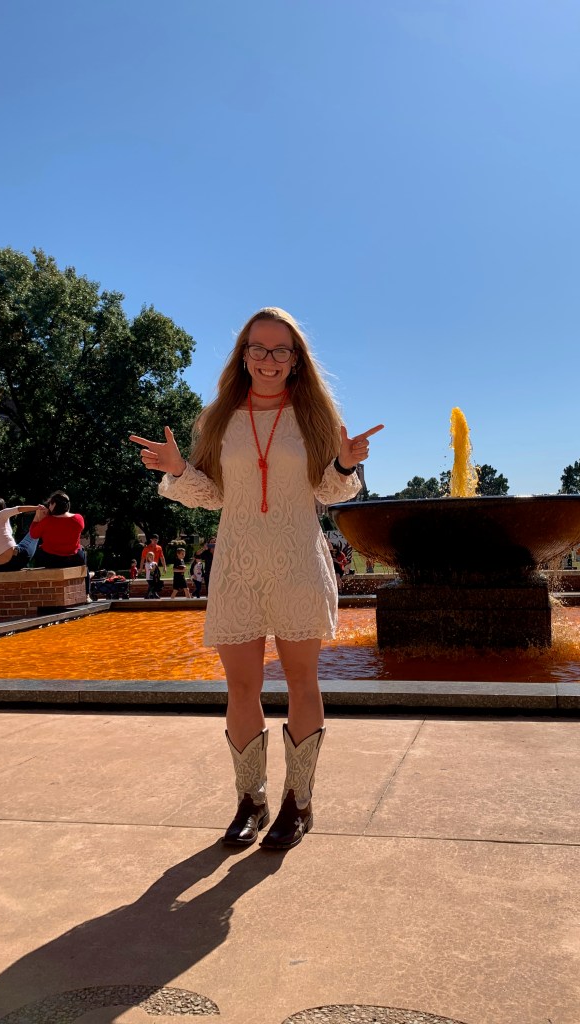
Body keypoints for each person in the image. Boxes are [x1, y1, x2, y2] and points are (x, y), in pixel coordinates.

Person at [130, 306, 383, 851]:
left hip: (297, 561)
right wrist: (178, 470)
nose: (269, 359)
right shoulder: (218, 417)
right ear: (243, 356)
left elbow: (330, 493)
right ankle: (251, 800)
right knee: (241, 686)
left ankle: (299, 801)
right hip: (238, 565)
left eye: (280, 350)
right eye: (258, 348)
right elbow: (212, 496)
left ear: (296, 360)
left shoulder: (316, 416)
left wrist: (344, 466)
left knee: (301, 682)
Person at [29, 491, 89, 594]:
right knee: (82, 552)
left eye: (50, 504)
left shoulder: (47, 521)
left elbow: (33, 534)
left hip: (52, 559)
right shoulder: (78, 518)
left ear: (54, 504)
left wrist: (37, 517)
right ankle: (87, 593)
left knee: (39, 550)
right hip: (73, 558)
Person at [0, 497, 44, 571]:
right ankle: (40, 516)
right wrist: (38, 507)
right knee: (33, 533)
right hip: (16, 560)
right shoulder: (0, 514)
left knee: (21, 544)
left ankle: (38, 516)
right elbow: (19, 509)